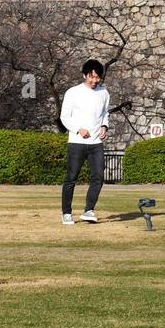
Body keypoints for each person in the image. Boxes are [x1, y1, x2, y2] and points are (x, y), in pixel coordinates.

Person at [60, 60, 110, 225]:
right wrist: (78, 129)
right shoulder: (73, 93)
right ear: (84, 75)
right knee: (71, 178)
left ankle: (89, 210)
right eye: (91, 77)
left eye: (97, 77)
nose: (94, 80)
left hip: (96, 143)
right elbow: (64, 117)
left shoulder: (104, 93)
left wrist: (104, 126)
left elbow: (105, 113)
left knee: (98, 177)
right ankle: (66, 213)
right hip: (76, 142)